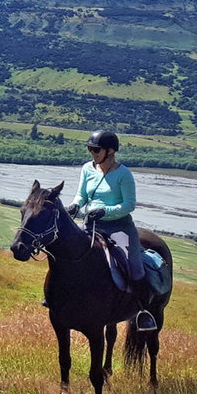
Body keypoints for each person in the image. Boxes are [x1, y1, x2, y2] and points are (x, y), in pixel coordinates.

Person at [67, 130, 157, 331]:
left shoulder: (124, 174)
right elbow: (81, 195)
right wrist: (75, 205)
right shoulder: (87, 169)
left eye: (96, 150)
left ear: (110, 151)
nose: (92, 153)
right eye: (90, 149)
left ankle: (144, 312)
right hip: (91, 224)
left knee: (135, 267)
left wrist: (105, 211)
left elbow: (129, 205)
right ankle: (60, 296)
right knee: (69, 253)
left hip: (119, 228)